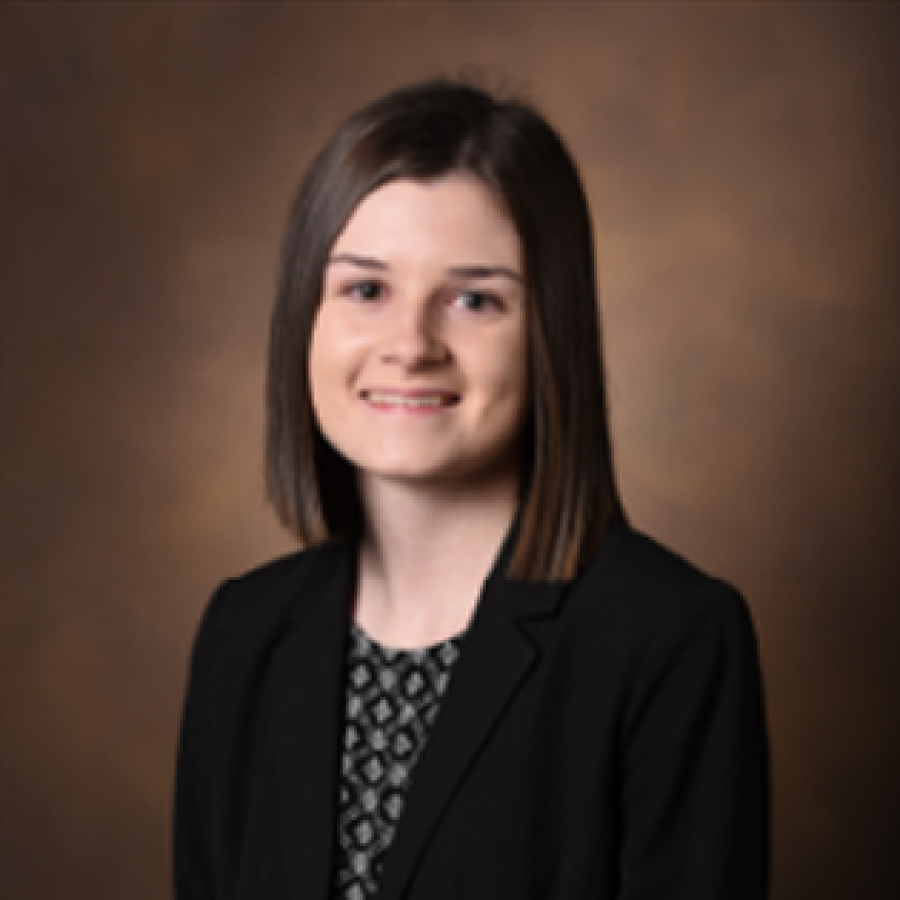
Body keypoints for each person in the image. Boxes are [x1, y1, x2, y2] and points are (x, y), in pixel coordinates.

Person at [173, 78, 769, 900]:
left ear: (550, 334)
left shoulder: (670, 641)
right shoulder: (244, 633)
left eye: (473, 299)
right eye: (367, 290)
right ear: (303, 315)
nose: (410, 345)